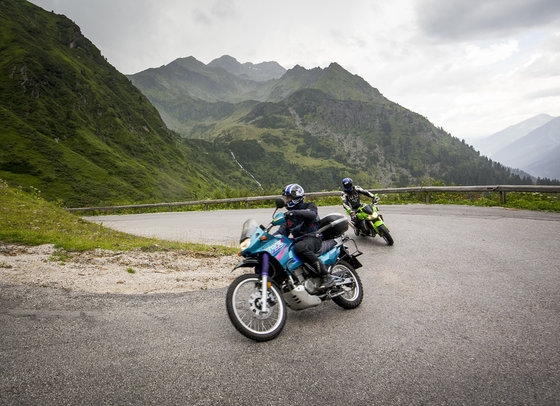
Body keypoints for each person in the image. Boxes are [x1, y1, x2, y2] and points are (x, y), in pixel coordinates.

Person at [276, 183, 334, 290]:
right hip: (299, 240)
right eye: (286, 198)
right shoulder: (289, 216)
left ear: (296, 197)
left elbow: (311, 215)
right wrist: (267, 239)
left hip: (313, 238)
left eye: (288, 198)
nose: (286, 201)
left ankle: (326, 276)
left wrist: (293, 213)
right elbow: (281, 233)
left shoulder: (309, 206)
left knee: (300, 248)